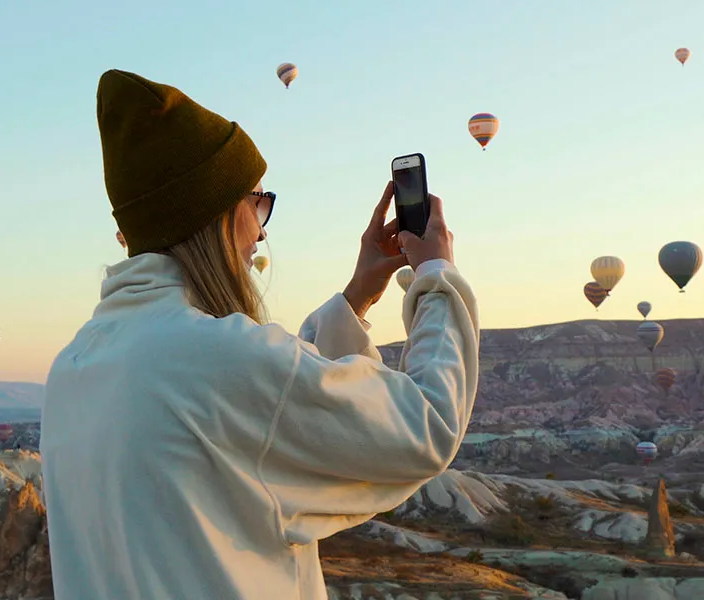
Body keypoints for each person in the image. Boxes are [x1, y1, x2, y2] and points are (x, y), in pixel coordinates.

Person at [40, 69, 480, 600]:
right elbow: (426, 424)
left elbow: (272, 415)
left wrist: (356, 298)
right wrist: (435, 277)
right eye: (256, 201)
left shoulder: (75, 366)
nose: (263, 227)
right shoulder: (213, 357)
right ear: (216, 214)